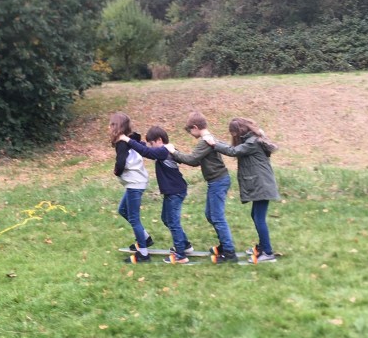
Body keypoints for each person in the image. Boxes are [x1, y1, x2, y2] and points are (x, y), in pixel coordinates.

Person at [202, 117, 280, 263]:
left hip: (262, 185)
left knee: (259, 218)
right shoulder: (252, 139)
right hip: (261, 184)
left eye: (233, 133)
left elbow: (233, 151)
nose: (233, 136)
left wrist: (214, 144)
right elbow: (233, 148)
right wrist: (215, 141)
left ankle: (268, 252)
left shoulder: (252, 143)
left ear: (239, 131)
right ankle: (263, 247)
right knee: (256, 216)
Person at [164, 111, 238, 264]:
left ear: (196, 127)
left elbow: (191, 160)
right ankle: (225, 245)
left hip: (218, 181)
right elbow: (197, 161)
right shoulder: (209, 138)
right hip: (217, 181)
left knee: (217, 217)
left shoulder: (205, 141)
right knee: (210, 214)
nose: (190, 133)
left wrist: (173, 152)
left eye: (190, 130)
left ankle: (229, 252)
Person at [118, 126, 194, 264]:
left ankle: (181, 255)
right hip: (173, 191)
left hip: (175, 191)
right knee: (166, 218)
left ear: (159, 140)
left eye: (152, 143)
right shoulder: (163, 150)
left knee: (173, 221)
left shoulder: (164, 151)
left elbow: (146, 152)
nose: (151, 147)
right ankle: (185, 245)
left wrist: (127, 139)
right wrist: (133, 139)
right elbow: (144, 147)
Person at [109, 111, 152, 263]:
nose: (109, 127)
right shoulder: (130, 138)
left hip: (135, 183)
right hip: (135, 182)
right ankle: (145, 239)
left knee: (134, 218)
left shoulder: (122, 143)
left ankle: (144, 254)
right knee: (122, 210)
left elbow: (121, 162)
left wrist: (116, 171)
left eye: (111, 124)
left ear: (116, 126)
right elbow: (139, 140)